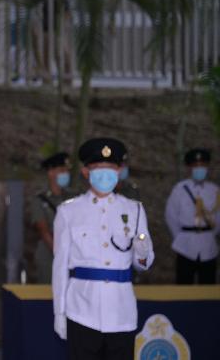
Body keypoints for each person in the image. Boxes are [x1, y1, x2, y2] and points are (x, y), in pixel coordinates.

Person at [52, 138, 153, 360]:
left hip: (122, 311)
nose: (104, 174)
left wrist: (143, 251)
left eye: (110, 168)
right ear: (86, 171)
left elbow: (142, 265)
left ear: (120, 171)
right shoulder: (69, 212)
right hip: (81, 311)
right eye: (98, 168)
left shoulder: (134, 210)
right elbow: (59, 267)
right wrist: (59, 313)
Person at [165, 148, 218, 284]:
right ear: (189, 168)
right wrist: (181, 236)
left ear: (207, 167)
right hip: (185, 246)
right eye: (195, 166)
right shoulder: (180, 189)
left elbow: (218, 217)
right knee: (183, 285)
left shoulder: (214, 190)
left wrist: (211, 234)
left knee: (208, 287)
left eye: (202, 165)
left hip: (208, 245)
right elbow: (171, 215)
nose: (199, 169)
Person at [31, 152, 73, 283]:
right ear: (51, 173)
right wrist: (61, 255)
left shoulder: (72, 198)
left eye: (67, 170)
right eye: (61, 170)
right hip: (50, 257)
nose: (66, 174)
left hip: (73, 256)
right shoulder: (40, 199)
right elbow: (43, 231)